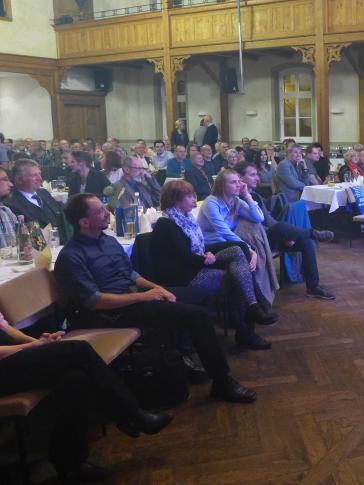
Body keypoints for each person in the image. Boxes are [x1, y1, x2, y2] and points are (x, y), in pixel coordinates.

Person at [55, 193, 257, 403]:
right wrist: (143, 297)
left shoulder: (108, 241)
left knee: (202, 295)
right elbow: (95, 301)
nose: (107, 213)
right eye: (100, 211)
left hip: (134, 296)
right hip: (114, 313)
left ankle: (183, 356)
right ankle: (222, 382)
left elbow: (131, 275)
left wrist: (157, 288)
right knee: (198, 316)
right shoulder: (72, 255)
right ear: (84, 222)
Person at [0, 322, 172, 480]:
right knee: (78, 349)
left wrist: (39, 342)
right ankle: (132, 415)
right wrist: (33, 346)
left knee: (75, 378)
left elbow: (5, 327)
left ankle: (70, 464)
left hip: (11, 359)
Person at [152, 180, 277, 350]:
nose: (194, 199)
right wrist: (206, 258)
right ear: (175, 200)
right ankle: (249, 323)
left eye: (193, 194)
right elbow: (184, 257)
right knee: (238, 277)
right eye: (189, 196)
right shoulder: (165, 224)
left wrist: (206, 254)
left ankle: (253, 307)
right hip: (186, 276)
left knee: (238, 250)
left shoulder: (187, 218)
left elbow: (196, 249)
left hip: (196, 264)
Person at [235, 162, 336, 300]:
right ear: (240, 178)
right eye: (252, 175)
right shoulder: (238, 200)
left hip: (269, 237)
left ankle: (313, 287)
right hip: (255, 243)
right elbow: (251, 228)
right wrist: (281, 233)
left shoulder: (255, 196)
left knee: (307, 243)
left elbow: (269, 220)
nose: (257, 178)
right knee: (281, 227)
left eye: (256, 174)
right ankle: (312, 233)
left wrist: (285, 235)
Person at [5, 158, 65, 230]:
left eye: (39, 174)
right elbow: (31, 232)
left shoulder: (44, 192)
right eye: (34, 175)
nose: (40, 178)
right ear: (19, 180)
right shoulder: (11, 205)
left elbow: (61, 215)